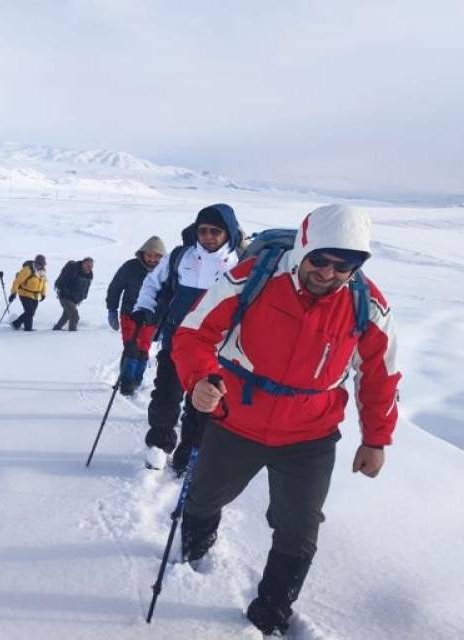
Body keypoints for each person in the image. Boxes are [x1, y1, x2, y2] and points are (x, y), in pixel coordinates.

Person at [171, 204, 401, 636]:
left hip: (309, 435)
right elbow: (193, 332)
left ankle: (272, 611)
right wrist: (201, 378)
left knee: (299, 529)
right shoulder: (252, 278)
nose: (330, 273)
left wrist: (376, 439)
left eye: (345, 264)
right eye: (320, 260)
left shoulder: (367, 305)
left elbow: (380, 376)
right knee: (203, 498)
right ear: (304, 249)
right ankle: (194, 551)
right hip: (236, 417)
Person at [132, 204, 243, 473]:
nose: (207, 236)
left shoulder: (241, 264)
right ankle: (160, 444)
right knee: (166, 395)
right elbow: (152, 283)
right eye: (202, 230)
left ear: (228, 233)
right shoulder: (180, 257)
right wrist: (144, 308)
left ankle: (189, 453)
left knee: (202, 403)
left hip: (215, 349)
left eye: (215, 231)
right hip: (175, 340)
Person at [105, 236, 166, 395]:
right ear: (142, 254)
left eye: (156, 256)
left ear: (162, 256)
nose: (152, 259)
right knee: (131, 346)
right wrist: (112, 309)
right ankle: (127, 381)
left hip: (153, 318)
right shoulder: (130, 267)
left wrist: (165, 322)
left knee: (143, 349)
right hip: (130, 314)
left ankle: (137, 379)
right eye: (149, 255)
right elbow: (115, 288)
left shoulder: (166, 271)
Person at [52, 257, 94, 331]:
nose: (90, 268)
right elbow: (62, 281)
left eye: (91, 266)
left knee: (66, 315)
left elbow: (85, 287)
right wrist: (65, 291)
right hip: (65, 297)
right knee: (74, 316)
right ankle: (72, 334)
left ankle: (56, 329)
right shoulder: (74, 269)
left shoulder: (89, 274)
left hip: (75, 299)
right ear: (83, 263)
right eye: (88, 265)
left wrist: (82, 297)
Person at [8, 255, 47, 331]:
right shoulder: (27, 270)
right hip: (24, 293)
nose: (41, 266)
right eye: (40, 264)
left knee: (31, 313)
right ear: (36, 262)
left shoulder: (42, 271)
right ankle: (16, 323)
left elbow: (43, 282)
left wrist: (43, 294)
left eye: (43, 264)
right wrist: (13, 293)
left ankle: (28, 328)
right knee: (29, 312)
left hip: (35, 295)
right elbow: (17, 282)